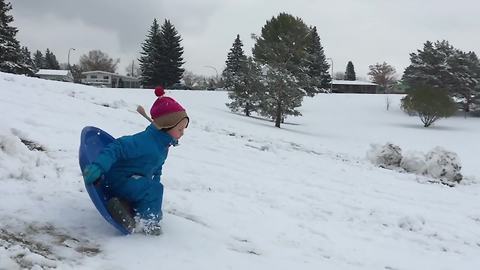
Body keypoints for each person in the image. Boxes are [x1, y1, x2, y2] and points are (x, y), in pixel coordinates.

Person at [82, 86, 189, 235]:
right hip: (118, 180)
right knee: (153, 190)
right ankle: (147, 224)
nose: (183, 133)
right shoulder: (145, 141)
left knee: (153, 189)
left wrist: (155, 186)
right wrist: (98, 167)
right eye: (180, 129)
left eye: (184, 129)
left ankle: (124, 206)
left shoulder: (163, 144)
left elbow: (157, 167)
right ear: (166, 126)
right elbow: (117, 147)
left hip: (133, 180)